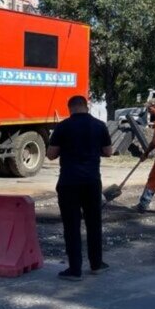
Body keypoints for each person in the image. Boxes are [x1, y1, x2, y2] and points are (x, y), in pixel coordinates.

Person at [46, 95, 113, 281]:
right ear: (86, 106)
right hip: (92, 182)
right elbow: (109, 151)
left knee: (71, 226)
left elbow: (51, 155)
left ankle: (75, 270)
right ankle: (96, 264)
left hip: (69, 182)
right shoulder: (99, 126)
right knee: (94, 223)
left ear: (70, 108)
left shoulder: (63, 126)